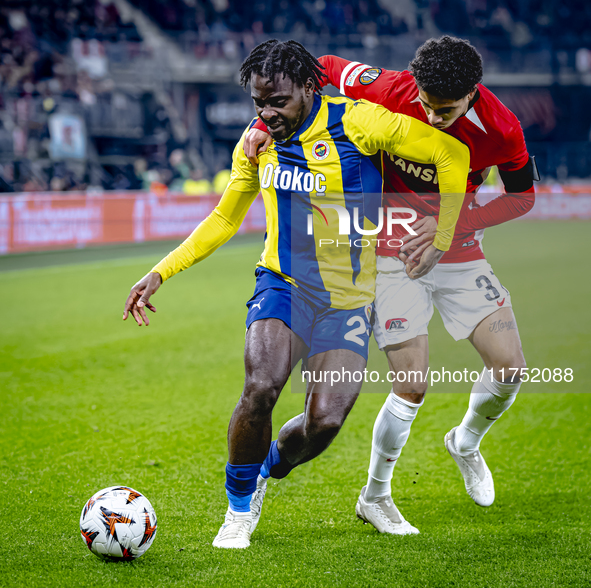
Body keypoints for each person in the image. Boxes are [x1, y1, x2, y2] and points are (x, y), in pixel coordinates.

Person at [123, 39, 469, 549]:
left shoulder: (359, 123)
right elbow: (224, 217)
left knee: (324, 421)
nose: (266, 113)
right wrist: (161, 271)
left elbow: (451, 152)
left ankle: (264, 469)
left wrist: (441, 238)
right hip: (281, 284)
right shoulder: (257, 141)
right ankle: (238, 509)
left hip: (348, 299)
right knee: (261, 385)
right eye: (258, 103)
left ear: (310, 87)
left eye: (277, 101)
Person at [245, 35, 538, 534]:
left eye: (444, 109)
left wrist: (456, 226)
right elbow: (321, 68)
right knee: (412, 382)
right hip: (388, 251)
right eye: (424, 102)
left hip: (458, 250)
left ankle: (465, 442)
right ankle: (375, 496)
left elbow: (523, 198)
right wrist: (259, 124)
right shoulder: (392, 89)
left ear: (473, 93)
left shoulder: (503, 129)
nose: (431, 114)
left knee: (511, 368)